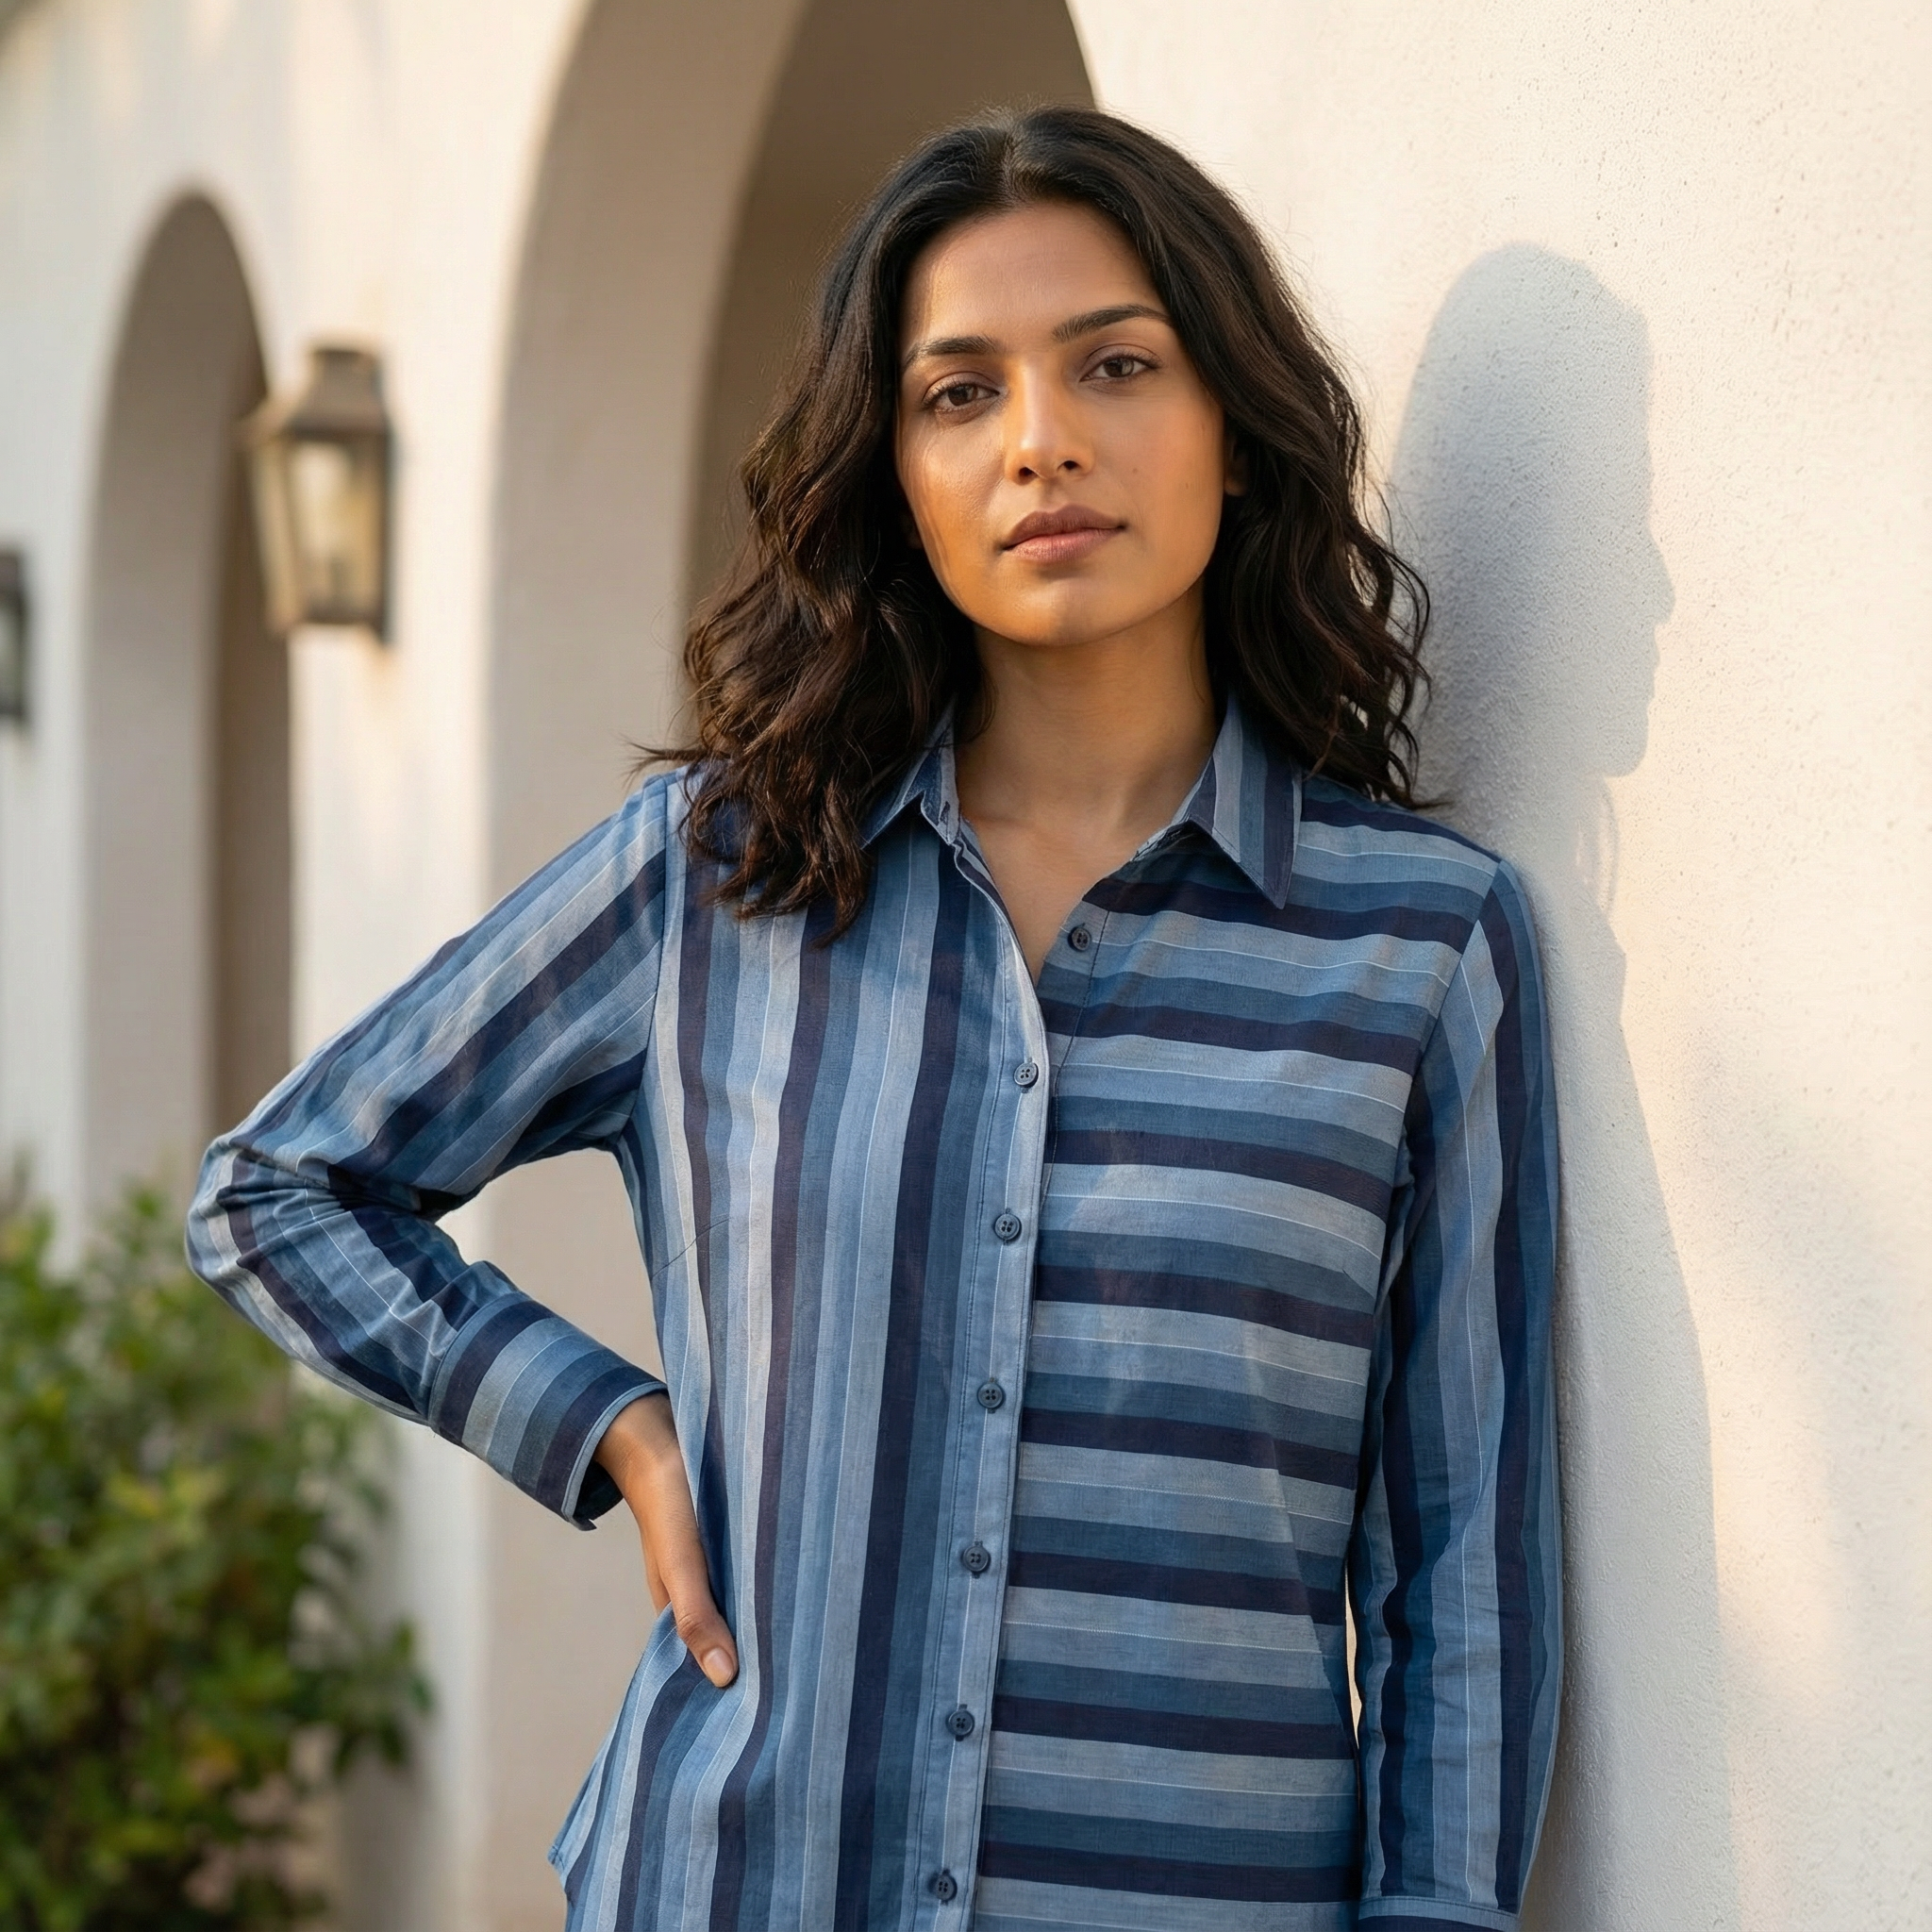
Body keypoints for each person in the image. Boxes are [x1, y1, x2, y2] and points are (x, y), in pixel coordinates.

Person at [188, 107, 1559, 1932]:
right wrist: (609, 1426)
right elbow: (278, 1187)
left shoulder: (1418, 943)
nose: (1043, 441)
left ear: (1238, 433)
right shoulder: (717, 878)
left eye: (1117, 365)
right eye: (957, 394)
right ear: (895, 482)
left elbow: (1460, 1561)